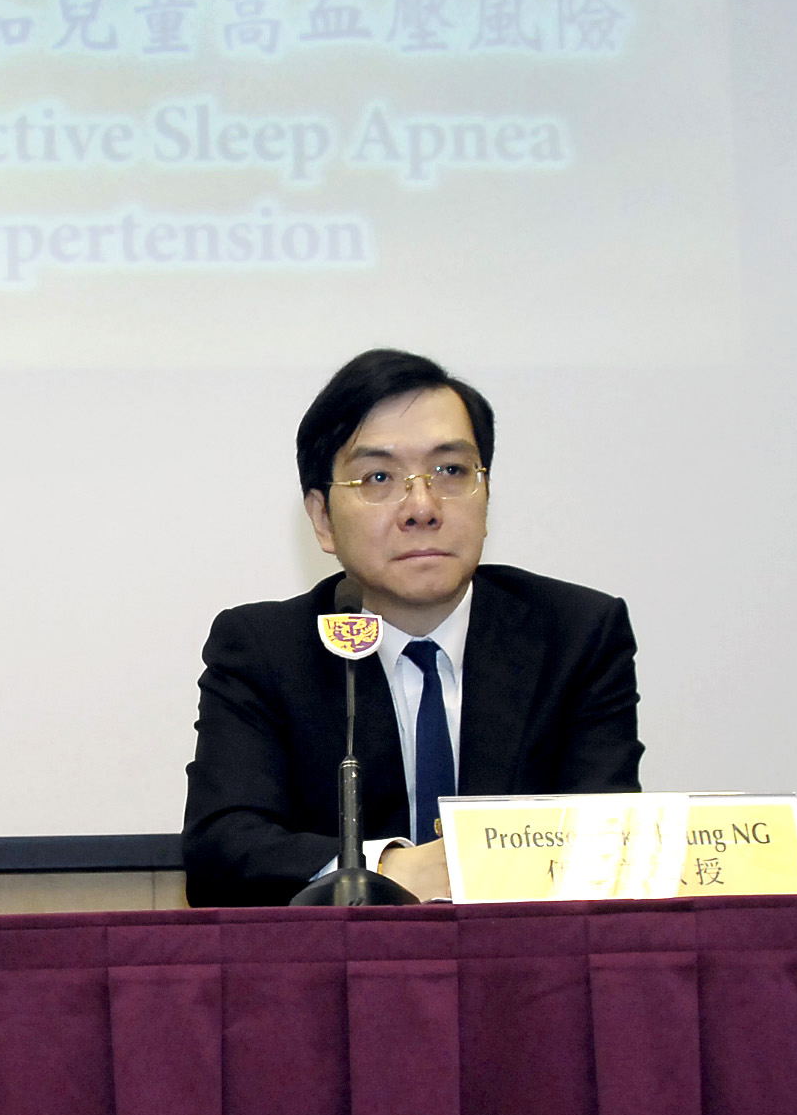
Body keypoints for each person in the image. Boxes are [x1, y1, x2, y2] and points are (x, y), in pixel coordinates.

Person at [182, 347, 643, 906]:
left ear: (487, 492)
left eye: (451, 471)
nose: (421, 506)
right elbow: (222, 850)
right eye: (378, 477)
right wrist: (386, 870)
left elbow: (607, 839)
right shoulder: (264, 650)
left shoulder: (577, 635)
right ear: (322, 519)